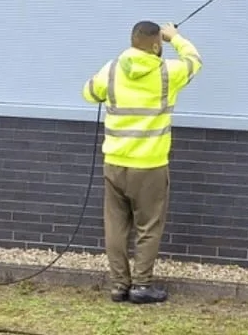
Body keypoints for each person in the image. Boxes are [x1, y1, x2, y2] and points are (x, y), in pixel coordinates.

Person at [82, 20, 203, 304]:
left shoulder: (111, 69)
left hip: (114, 163)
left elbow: (89, 93)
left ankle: (118, 286)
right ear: (156, 44)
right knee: (148, 226)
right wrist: (175, 37)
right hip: (149, 165)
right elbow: (194, 61)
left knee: (115, 226)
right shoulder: (166, 72)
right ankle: (141, 286)